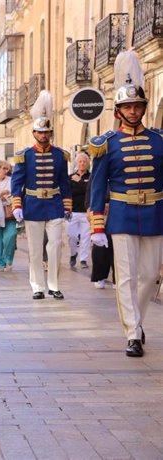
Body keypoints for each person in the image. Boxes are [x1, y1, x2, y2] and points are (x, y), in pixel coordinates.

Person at [88, 50, 163, 357]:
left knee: (149, 276)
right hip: (120, 215)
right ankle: (132, 333)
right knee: (127, 276)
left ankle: (138, 321)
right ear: (118, 110)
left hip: (155, 214)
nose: (133, 111)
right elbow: (97, 186)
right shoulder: (106, 144)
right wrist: (97, 224)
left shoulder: (159, 140)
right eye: (128, 106)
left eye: (137, 106)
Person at [11, 90, 71, 300]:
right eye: (40, 132)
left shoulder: (60, 155)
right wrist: (16, 205)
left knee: (55, 246)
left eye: (46, 132)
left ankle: (53, 285)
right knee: (35, 250)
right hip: (33, 204)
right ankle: (37, 286)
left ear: (50, 133)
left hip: (54, 204)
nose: (43, 136)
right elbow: (17, 182)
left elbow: (65, 182)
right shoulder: (24, 156)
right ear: (34, 134)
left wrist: (67, 206)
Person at [67, 152, 91, 270]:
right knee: (72, 236)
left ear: (88, 163)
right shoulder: (70, 177)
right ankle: (73, 254)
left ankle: (83, 259)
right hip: (72, 211)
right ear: (76, 163)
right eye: (80, 161)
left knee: (86, 236)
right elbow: (66, 192)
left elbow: (89, 191)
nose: (82, 164)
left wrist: (79, 182)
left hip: (86, 211)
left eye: (84, 162)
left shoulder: (91, 177)